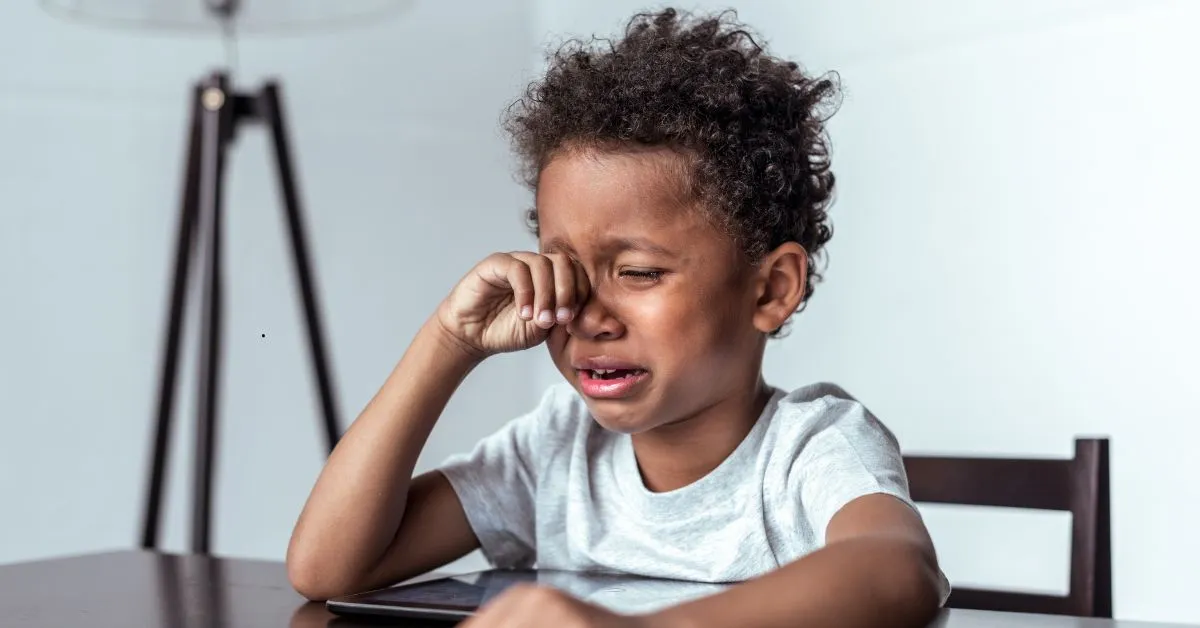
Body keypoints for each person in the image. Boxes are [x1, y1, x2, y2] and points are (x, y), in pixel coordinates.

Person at [287, 7, 950, 627]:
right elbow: (327, 568)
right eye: (566, 271)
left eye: (637, 273)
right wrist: (449, 340)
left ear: (770, 290)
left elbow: (900, 569)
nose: (588, 318)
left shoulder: (812, 448)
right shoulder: (556, 451)